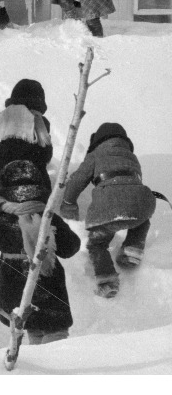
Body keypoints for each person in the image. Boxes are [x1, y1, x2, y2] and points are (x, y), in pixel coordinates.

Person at [0, 160, 80, 345]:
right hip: (50, 288)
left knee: (33, 329)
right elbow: (71, 247)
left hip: (16, 291)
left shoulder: (0, 220)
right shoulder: (47, 216)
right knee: (56, 338)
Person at [60, 123, 157, 297]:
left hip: (108, 210)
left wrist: (68, 203)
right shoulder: (132, 157)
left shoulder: (95, 155)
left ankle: (107, 281)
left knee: (98, 244)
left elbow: (77, 181)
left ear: (97, 142)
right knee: (141, 220)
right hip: (140, 204)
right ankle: (132, 249)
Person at [0, 79, 52, 193]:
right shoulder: (42, 123)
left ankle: (0, 195)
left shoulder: (6, 115)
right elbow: (46, 155)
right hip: (32, 174)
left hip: (3, 169)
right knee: (41, 176)